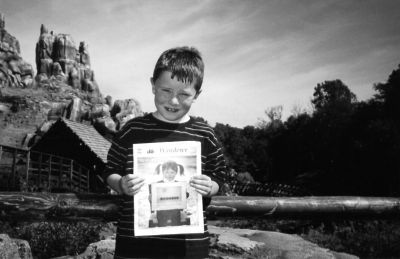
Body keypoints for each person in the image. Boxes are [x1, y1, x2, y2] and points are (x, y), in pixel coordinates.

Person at [103, 46, 227, 259]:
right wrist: (121, 183)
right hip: (135, 246)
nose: (174, 100)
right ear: (153, 85)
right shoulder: (132, 130)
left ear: (197, 94)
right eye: (166, 90)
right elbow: (109, 171)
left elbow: (219, 176)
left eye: (184, 94)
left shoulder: (205, 134)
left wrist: (211, 186)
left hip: (190, 248)